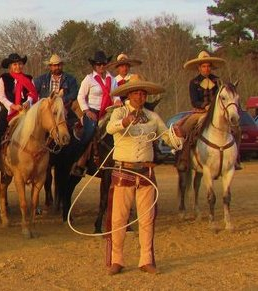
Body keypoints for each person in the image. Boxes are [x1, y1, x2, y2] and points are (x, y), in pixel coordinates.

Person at [104, 77, 184, 275]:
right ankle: (117, 259)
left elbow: (166, 136)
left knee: (147, 219)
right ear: (128, 95)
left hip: (146, 172)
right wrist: (124, 121)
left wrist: (177, 136)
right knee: (118, 219)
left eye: (143, 93)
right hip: (124, 170)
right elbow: (109, 128)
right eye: (136, 93)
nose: (140, 96)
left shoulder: (152, 116)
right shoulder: (119, 112)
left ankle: (146, 259)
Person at [177, 51, 241, 170]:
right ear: (199, 68)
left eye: (208, 66)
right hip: (200, 112)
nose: (206, 69)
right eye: (204, 66)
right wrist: (205, 106)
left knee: (236, 130)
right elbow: (194, 100)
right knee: (187, 128)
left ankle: (236, 158)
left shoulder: (218, 81)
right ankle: (184, 158)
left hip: (218, 113)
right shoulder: (194, 82)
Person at [0, 53, 38, 160]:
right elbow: (2, 97)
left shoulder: (29, 78)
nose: (18, 67)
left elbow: (33, 93)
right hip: (9, 109)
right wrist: (13, 106)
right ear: (10, 66)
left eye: (20, 64)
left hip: (26, 109)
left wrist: (28, 102)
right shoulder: (4, 78)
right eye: (15, 64)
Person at [77, 50, 123, 146]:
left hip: (109, 111)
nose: (102, 66)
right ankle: (81, 156)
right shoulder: (89, 79)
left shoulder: (112, 79)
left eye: (104, 63)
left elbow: (115, 94)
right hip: (93, 111)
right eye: (99, 64)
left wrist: (117, 100)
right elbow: (80, 96)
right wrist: (87, 111)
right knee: (89, 133)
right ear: (94, 65)